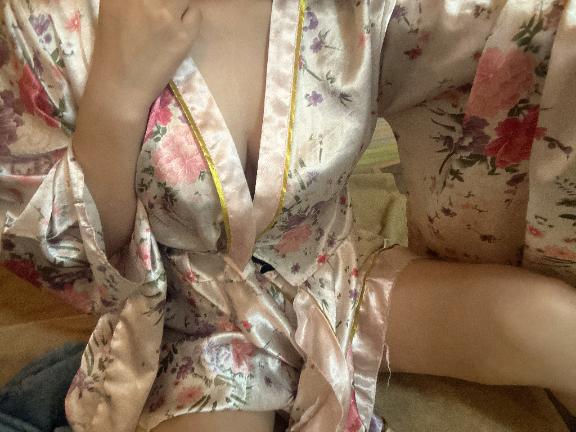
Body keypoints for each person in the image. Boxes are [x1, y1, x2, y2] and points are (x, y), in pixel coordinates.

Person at [0, 0, 574, 431]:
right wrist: (116, 100)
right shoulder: (45, 21)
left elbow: (508, 33)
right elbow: (70, 258)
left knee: (553, 324)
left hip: (336, 278)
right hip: (186, 329)